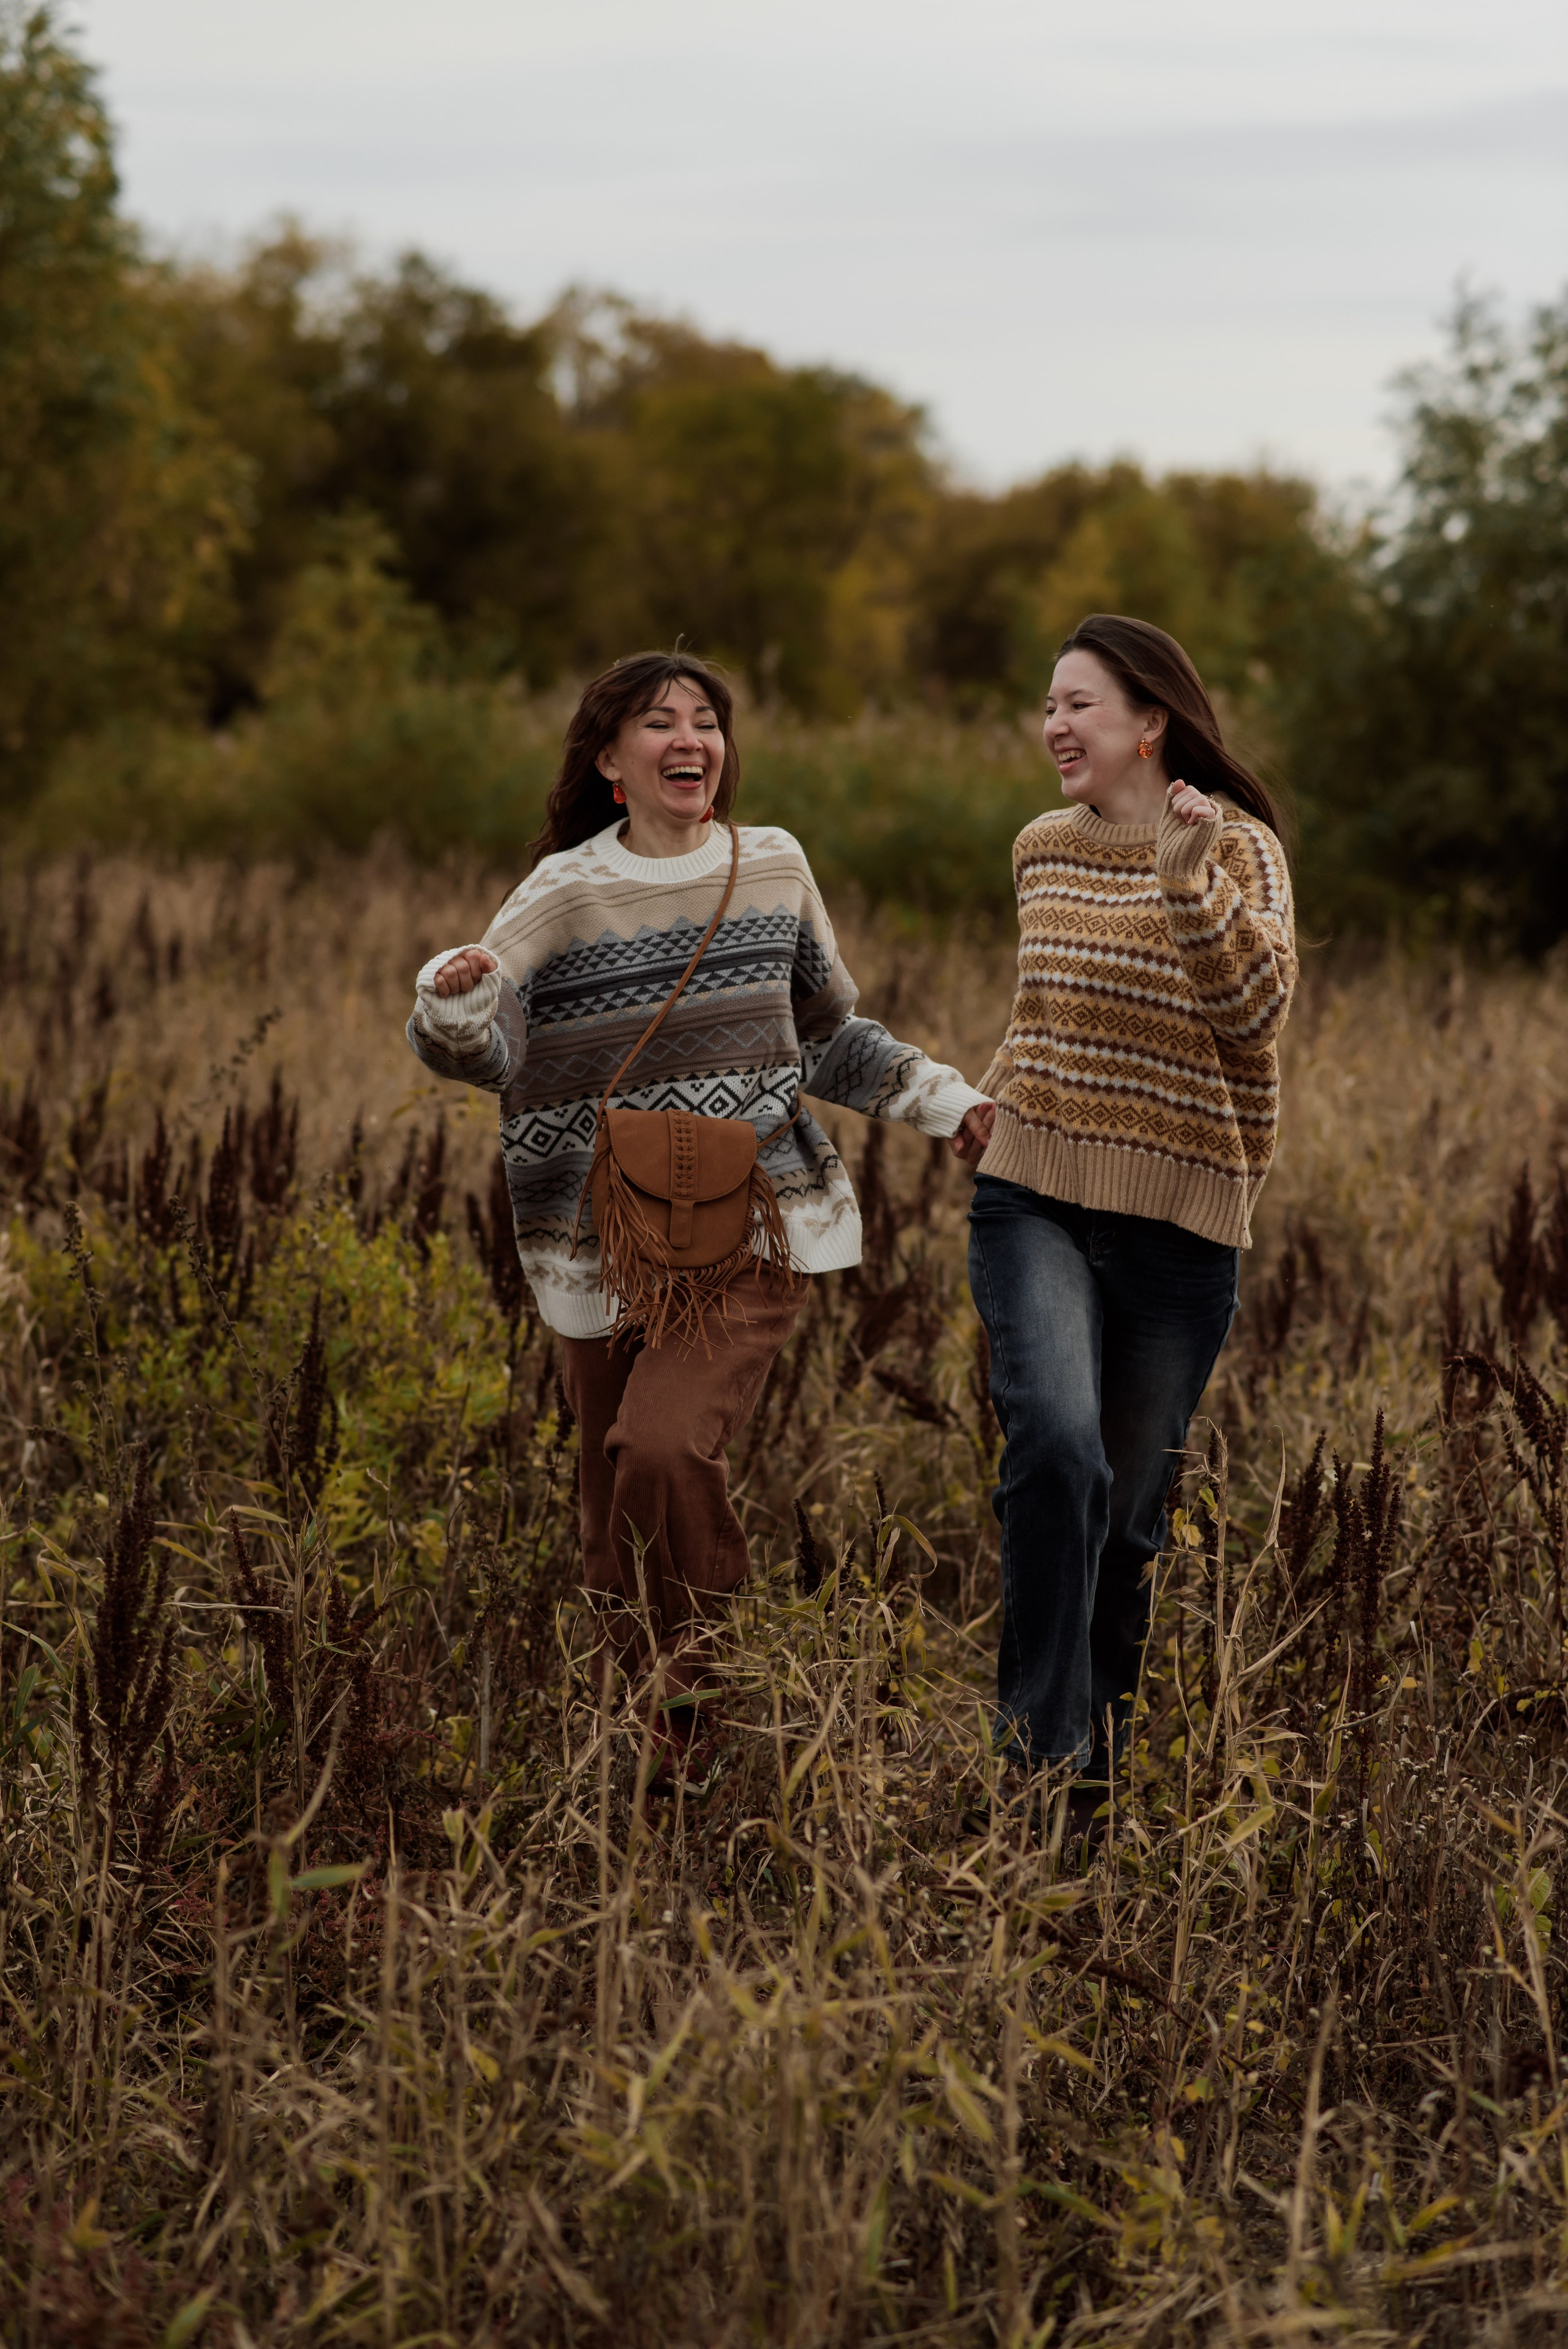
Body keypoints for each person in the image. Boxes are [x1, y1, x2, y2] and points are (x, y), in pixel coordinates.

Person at [409, 650, 992, 1788]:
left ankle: (700, 1697)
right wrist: (454, 994)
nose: (690, 738)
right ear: (610, 763)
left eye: (706, 721)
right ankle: (646, 1750)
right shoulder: (565, 892)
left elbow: (824, 1035)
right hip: (597, 1233)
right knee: (606, 1499)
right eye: (658, 722)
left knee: (663, 1447)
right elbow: (488, 1051)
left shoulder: (771, 868)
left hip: (753, 1220)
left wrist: (947, 1102)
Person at [949, 613, 1297, 1839]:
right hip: (1031, 1193)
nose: (1052, 726)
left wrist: (1185, 889)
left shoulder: (1237, 848)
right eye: (1045, 704)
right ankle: (1032, 1770)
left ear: (1149, 720)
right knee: (1056, 1451)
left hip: (1177, 1230)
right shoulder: (1039, 849)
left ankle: (1082, 1801)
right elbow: (1045, 1013)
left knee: (1127, 1523)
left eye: (1077, 704)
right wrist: (982, 1096)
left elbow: (1252, 1013)